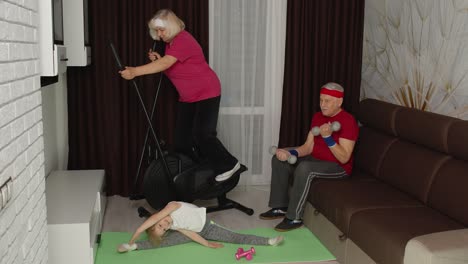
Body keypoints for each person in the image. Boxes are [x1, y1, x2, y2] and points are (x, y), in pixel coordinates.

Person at [119, 9, 239, 181]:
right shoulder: (171, 45)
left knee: (203, 134)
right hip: (189, 97)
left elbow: (167, 63)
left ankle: (229, 163)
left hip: (207, 92)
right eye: (157, 31)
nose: (159, 34)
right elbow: (176, 70)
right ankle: (198, 175)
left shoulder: (183, 39)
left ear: (172, 26)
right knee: (182, 142)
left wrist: (135, 71)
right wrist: (159, 60)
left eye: (162, 30)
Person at [260, 82, 359, 232]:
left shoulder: (348, 121)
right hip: (315, 159)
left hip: (338, 167)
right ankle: (280, 207)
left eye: (327, 101)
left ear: (339, 102)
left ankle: (294, 217)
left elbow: (344, 157)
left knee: (305, 168)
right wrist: (290, 152)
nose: (322, 105)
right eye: (321, 100)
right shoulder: (318, 117)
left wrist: (328, 138)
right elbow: (307, 147)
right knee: (279, 159)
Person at [117, 201, 284, 252]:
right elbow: (191, 234)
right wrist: (207, 244)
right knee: (167, 241)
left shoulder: (171, 207)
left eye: (160, 224)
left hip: (208, 228)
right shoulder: (173, 225)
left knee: (235, 237)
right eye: (164, 229)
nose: (165, 225)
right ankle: (133, 247)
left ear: (158, 218)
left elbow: (153, 218)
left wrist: (137, 231)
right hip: (197, 233)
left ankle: (268, 241)